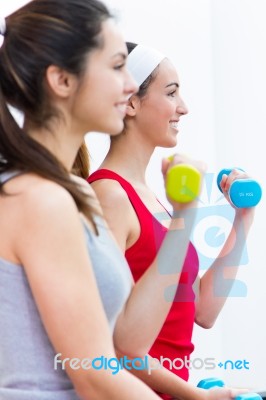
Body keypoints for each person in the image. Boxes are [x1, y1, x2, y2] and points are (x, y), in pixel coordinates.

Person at [0, 2, 237, 400]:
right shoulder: (39, 198)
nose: (129, 86)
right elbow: (96, 374)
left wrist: (186, 213)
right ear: (61, 80)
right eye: (115, 67)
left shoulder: (72, 196)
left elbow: (127, 341)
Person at [88, 42, 255, 398]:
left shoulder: (159, 203)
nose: (184, 107)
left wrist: (244, 217)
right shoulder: (110, 196)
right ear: (131, 102)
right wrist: (197, 397)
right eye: (171, 92)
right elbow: (115, 344)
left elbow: (203, 311)